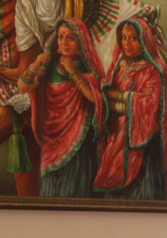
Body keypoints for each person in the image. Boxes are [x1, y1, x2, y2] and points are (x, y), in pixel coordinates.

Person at [95, 17, 167, 201]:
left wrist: (117, 97)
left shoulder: (153, 70)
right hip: (116, 140)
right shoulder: (118, 69)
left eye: (133, 38)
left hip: (143, 147)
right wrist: (129, 98)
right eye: (123, 38)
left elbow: (149, 107)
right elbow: (105, 97)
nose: (127, 43)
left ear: (144, 40)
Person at [20, 17, 105, 198]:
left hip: (79, 142)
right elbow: (23, 87)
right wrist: (35, 65)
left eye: (70, 38)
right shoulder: (49, 66)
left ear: (80, 42)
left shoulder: (85, 69)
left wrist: (73, 72)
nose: (64, 42)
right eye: (60, 37)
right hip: (51, 138)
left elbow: (95, 98)